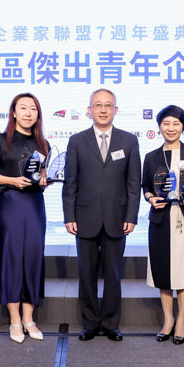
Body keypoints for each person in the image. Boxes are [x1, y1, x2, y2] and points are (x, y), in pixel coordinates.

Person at [62, 88, 141, 341]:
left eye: (108, 105)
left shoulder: (129, 141)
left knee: (113, 276)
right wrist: (69, 216)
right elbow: (70, 183)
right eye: (98, 105)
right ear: (89, 110)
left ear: (116, 110)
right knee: (86, 275)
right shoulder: (77, 140)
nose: (103, 110)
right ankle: (90, 323)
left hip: (117, 218)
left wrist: (131, 216)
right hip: (84, 218)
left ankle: (110, 324)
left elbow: (133, 183)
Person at [0, 93, 51, 343]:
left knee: (33, 258)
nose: (28, 113)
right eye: (23, 108)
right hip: (10, 203)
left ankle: (29, 319)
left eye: (33, 108)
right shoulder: (0, 141)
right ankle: (14, 320)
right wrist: (11, 180)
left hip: (34, 205)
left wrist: (45, 180)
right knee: (11, 259)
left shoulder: (43, 143)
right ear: (13, 112)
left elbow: (41, 175)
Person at [141, 105, 184, 345]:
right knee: (163, 271)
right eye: (166, 123)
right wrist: (150, 198)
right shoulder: (151, 156)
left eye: (176, 124)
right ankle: (168, 320)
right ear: (159, 126)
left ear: (183, 126)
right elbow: (146, 186)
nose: (171, 128)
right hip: (161, 218)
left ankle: (181, 320)